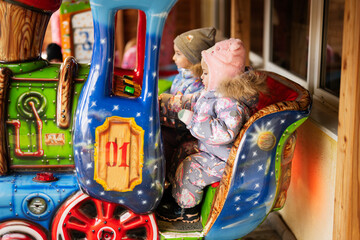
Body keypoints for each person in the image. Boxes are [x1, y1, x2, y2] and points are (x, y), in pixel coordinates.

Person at [157, 38, 268, 223]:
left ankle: (186, 210)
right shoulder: (211, 93)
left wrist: (193, 121)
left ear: (221, 75)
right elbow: (189, 101)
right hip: (210, 150)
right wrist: (164, 103)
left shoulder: (231, 103)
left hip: (225, 159)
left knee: (191, 168)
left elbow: (224, 134)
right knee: (182, 149)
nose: (201, 77)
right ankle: (176, 192)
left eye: (207, 73)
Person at [170, 27, 216, 95]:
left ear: (192, 58)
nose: (173, 58)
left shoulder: (196, 85)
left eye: (178, 54)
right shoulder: (181, 75)